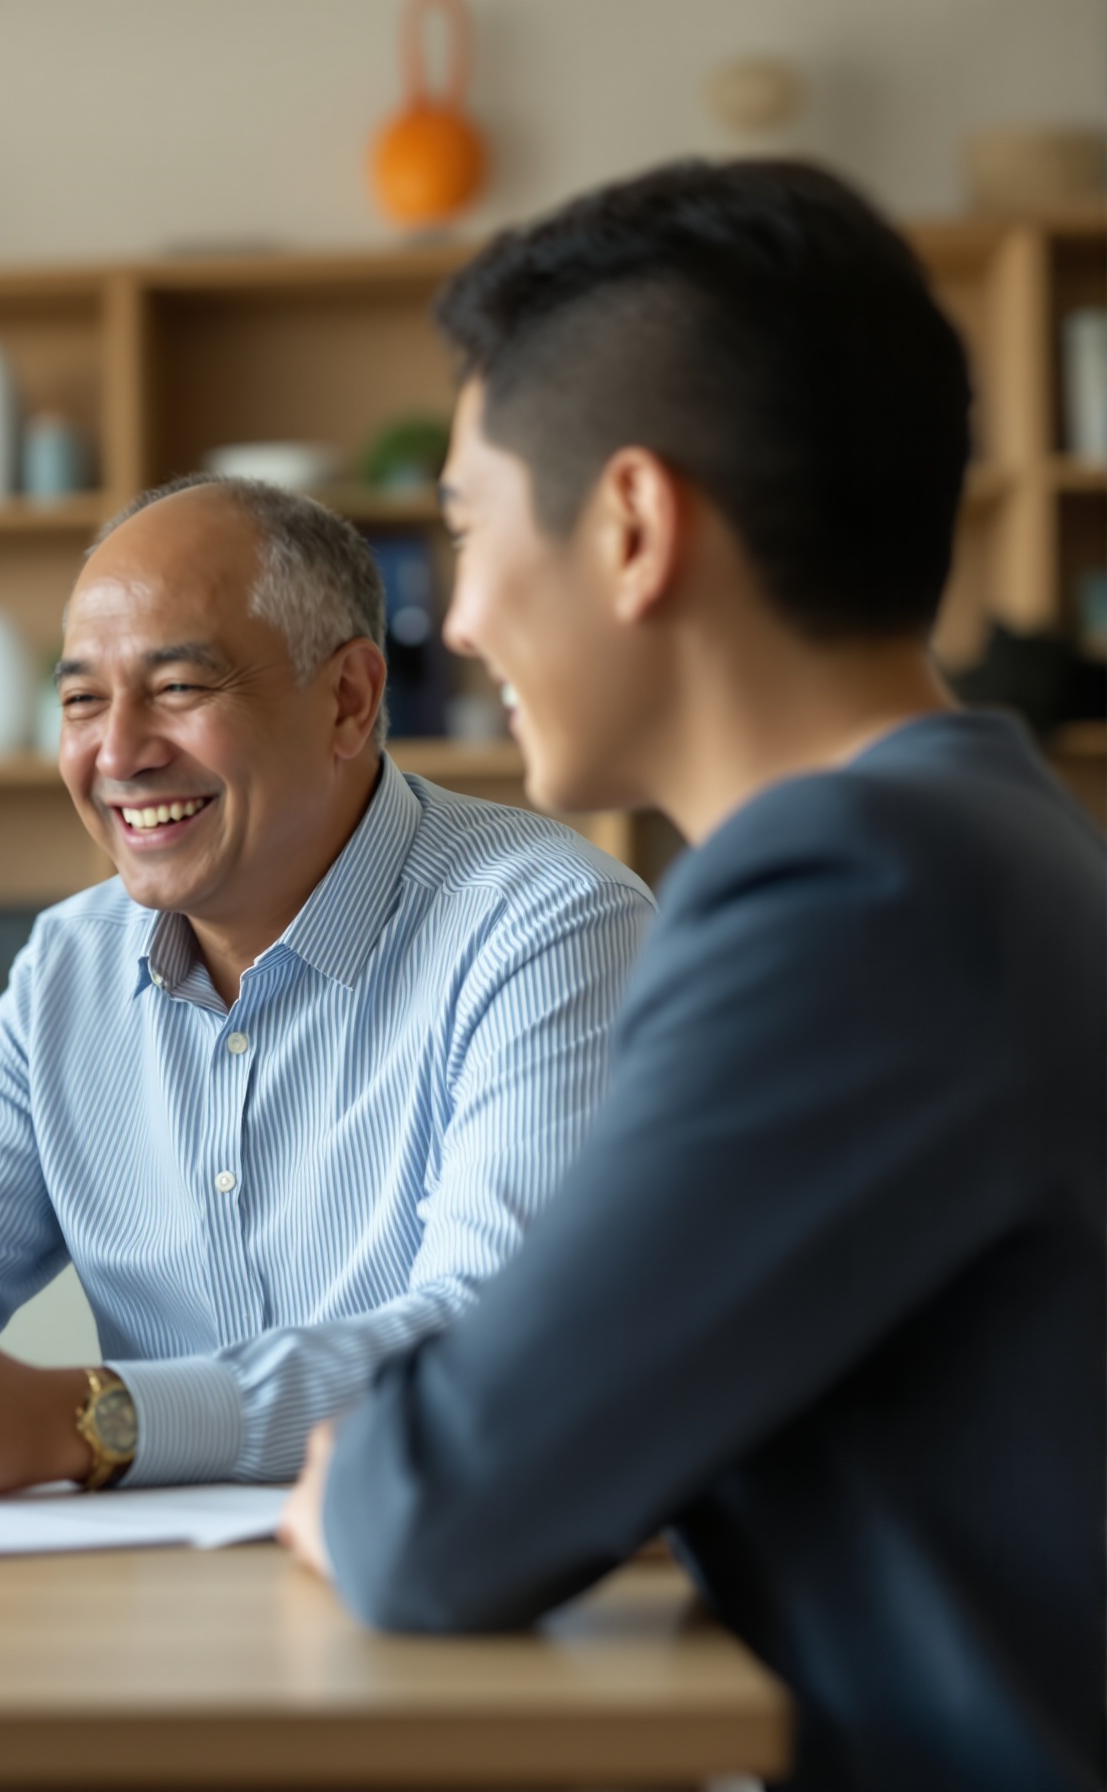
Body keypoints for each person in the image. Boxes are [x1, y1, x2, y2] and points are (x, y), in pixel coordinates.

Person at [279, 161, 1105, 1792]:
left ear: (634, 526)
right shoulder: (980, 835)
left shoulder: (849, 896)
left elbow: (435, 1512)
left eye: (463, 527)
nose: (456, 616)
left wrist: (359, 1471)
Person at [0, 473, 655, 1498]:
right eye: (82, 700)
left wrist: (86, 1417)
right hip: (154, 1601)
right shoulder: (69, 966)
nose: (118, 752)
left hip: (455, 1589)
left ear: (348, 699)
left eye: (178, 689)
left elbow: (493, 1340)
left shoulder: (547, 927)